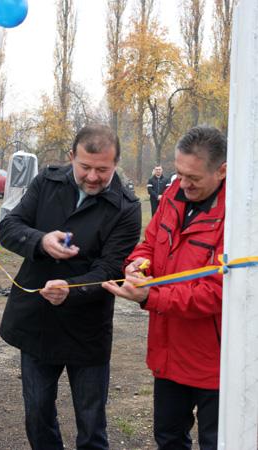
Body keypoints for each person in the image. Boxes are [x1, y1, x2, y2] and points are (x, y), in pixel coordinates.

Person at [0, 124, 141, 450]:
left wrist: (71, 288)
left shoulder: (126, 207)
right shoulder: (46, 181)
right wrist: (40, 240)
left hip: (87, 329)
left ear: (116, 163)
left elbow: (110, 268)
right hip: (37, 322)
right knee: (37, 413)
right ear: (71, 158)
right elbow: (9, 227)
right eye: (85, 167)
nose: (93, 176)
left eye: (103, 170)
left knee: (91, 424)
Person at [103, 125, 227, 450]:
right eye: (179, 173)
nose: (184, 185)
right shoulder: (173, 195)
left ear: (222, 170)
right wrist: (137, 263)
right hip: (168, 353)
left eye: (194, 179)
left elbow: (216, 292)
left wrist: (149, 295)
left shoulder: (240, 217)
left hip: (216, 361)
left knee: (219, 442)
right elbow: (150, 243)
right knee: (168, 438)